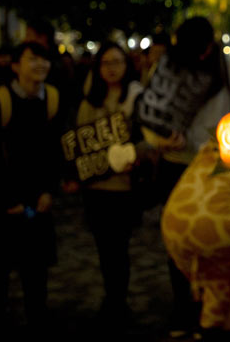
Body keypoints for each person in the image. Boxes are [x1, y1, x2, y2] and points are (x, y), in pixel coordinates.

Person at [136, 17, 230, 339]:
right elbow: (151, 111)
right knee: (181, 245)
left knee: (217, 242)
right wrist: (159, 142)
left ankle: (212, 317)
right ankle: (186, 310)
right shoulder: (168, 66)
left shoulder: (223, 64)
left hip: (214, 164)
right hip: (178, 161)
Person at [0, 42, 64, 338]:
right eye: (33, 60)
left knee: (36, 266)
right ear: (15, 66)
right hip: (5, 199)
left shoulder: (52, 97)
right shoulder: (0, 99)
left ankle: (37, 320)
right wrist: (7, 199)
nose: (40, 65)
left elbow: (55, 151)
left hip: (39, 196)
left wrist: (49, 191)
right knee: (0, 265)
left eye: (44, 60)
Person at [72, 41, 143, 328]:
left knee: (120, 247)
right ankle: (112, 299)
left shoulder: (137, 97)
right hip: (96, 189)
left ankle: (117, 300)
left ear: (126, 66)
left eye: (117, 62)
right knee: (104, 247)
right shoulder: (89, 99)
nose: (112, 69)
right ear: (98, 67)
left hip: (124, 187)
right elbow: (78, 141)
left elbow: (145, 138)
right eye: (106, 63)